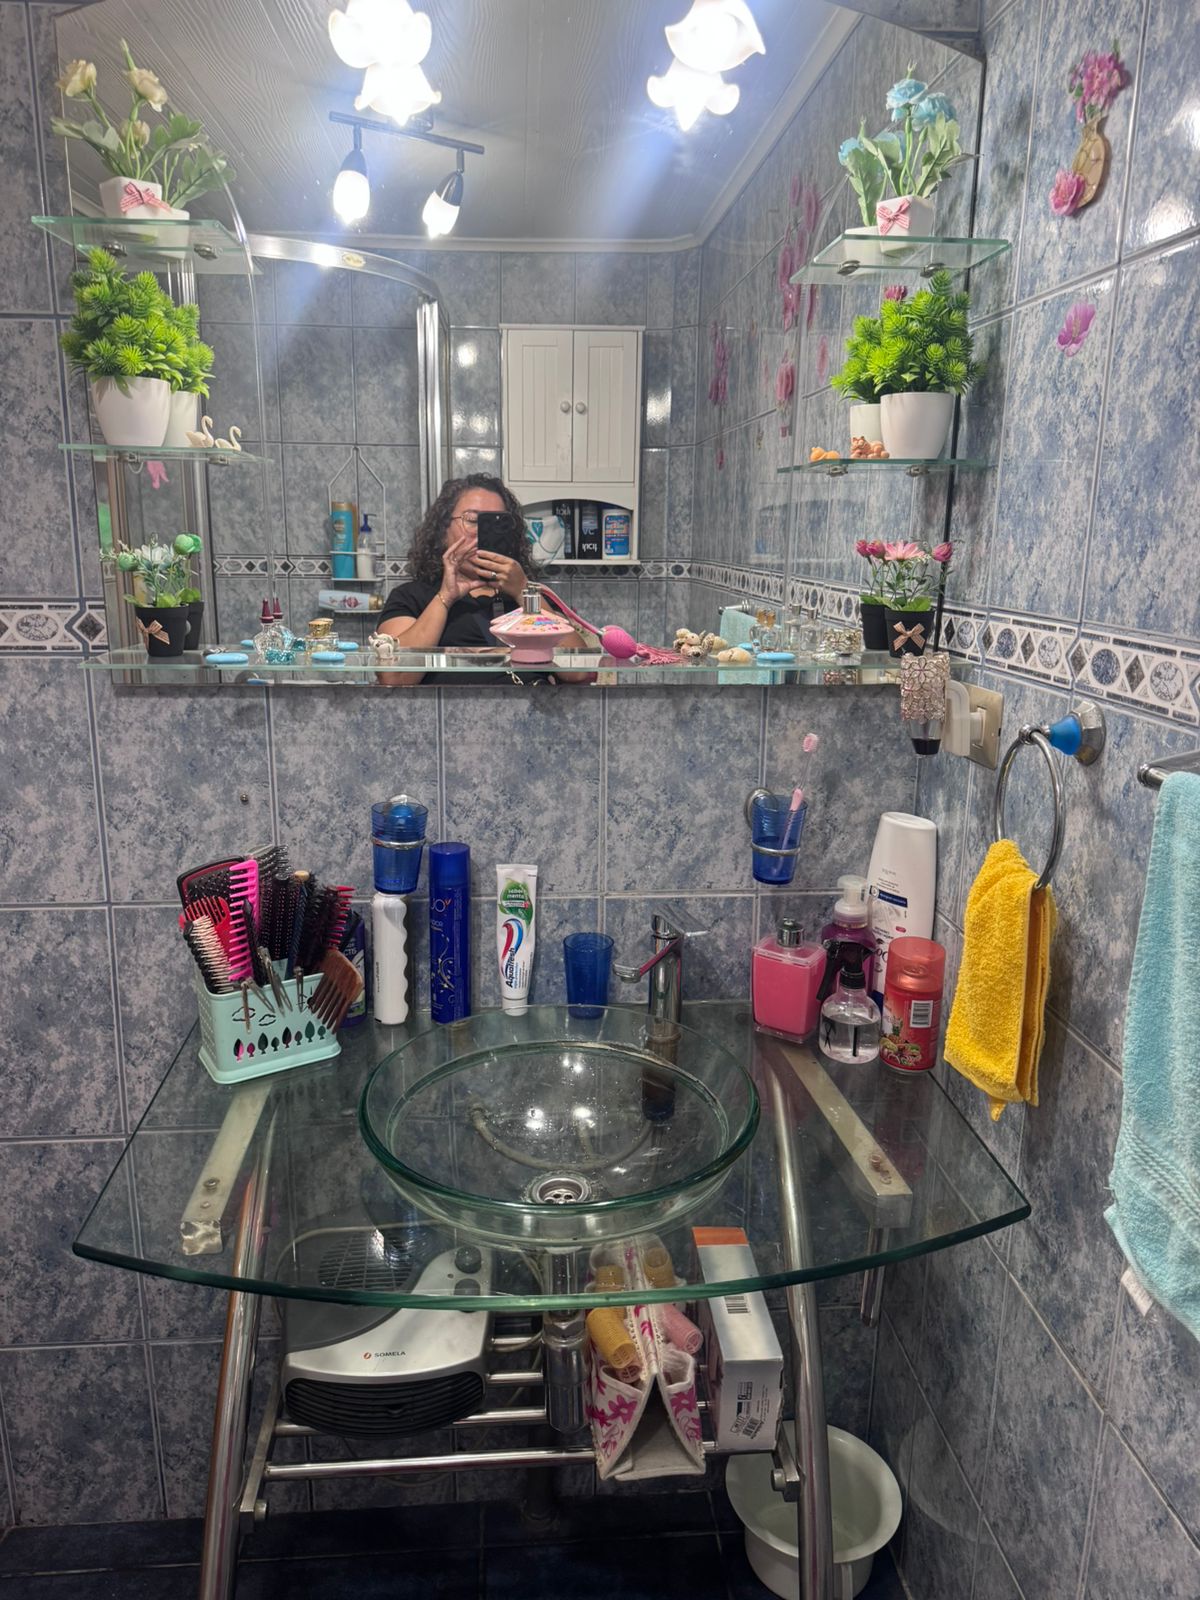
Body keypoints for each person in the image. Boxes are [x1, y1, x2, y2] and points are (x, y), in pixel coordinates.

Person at [376, 474, 586, 685]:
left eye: (497, 524)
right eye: (472, 520)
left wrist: (523, 592)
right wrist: (444, 598)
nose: (483, 534)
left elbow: (579, 671)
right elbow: (394, 676)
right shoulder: (411, 597)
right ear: (442, 530)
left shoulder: (528, 595)